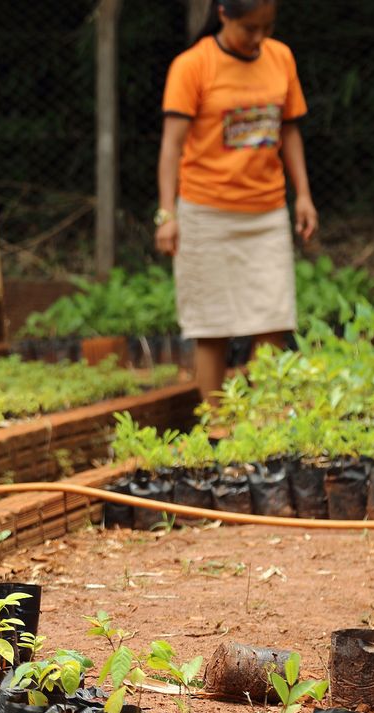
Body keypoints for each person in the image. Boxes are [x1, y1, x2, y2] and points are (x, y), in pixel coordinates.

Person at [154, 0, 316, 409]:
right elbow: (171, 148)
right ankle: (217, 427)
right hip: (206, 214)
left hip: (266, 212)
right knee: (211, 326)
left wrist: (305, 197)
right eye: (250, 29)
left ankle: (263, 426)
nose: (259, 38)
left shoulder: (281, 58)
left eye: (267, 27)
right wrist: (167, 214)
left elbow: (290, 132)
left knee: (273, 321)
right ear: (223, 14)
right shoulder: (193, 66)